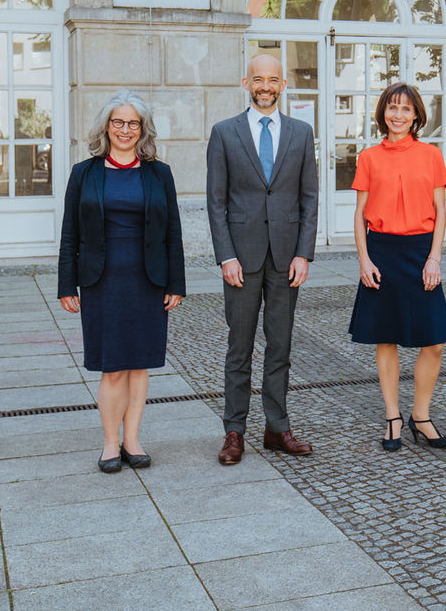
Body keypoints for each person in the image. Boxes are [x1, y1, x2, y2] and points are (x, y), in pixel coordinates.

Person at [58, 91, 184, 473]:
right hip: (102, 281)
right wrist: (67, 285)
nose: (125, 130)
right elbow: (69, 234)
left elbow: (173, 233)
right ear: (106, 127)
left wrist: (175, 284)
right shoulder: (84, 173)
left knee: (140, 365)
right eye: (118, 122)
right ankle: (110, 443)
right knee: (112, 366)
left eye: (133, 123)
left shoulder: (159, 173)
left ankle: (133, 439)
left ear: (142, 129)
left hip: (148, 280)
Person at [206, 53, 319, 465]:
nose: (266, 86)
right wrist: (226, 257)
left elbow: (309, 198)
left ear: (283, 84)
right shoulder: (224, 133)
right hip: (241, 259)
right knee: (239, 348)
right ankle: (234, 431)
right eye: (258, 79)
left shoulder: (301, 133)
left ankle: (277, 428)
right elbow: (215, 203)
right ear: (246, 82)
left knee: (281, 346)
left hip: (286, 258)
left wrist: (304, 253)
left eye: (273, 79)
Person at [349, 83, 446, 451]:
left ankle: (420, 416)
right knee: (386, 336)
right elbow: (360, 215)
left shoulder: (430, 156)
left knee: (435, 341)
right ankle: (392, 416)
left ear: (416, 116)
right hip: (382, 251)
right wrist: (364, 259)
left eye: (405, 109)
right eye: (392, 108)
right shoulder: (369, 158)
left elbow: (441, 213)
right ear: (383, 114)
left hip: (421, 252)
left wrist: (434, 258)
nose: (398, 115)